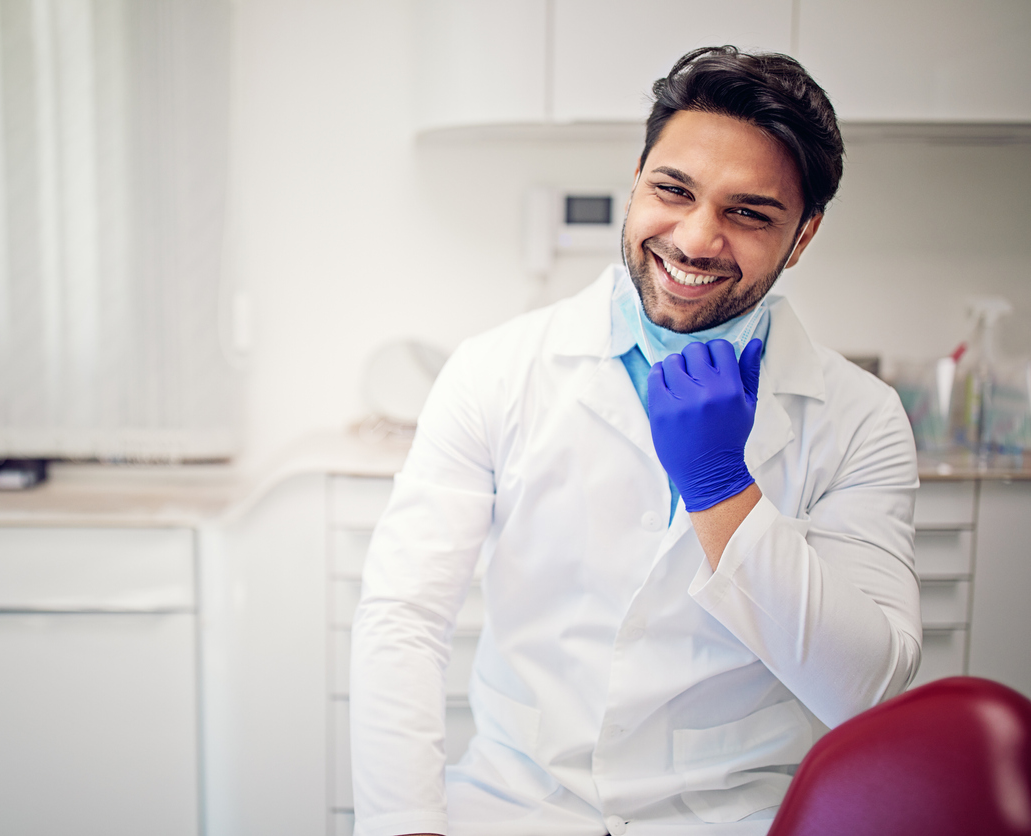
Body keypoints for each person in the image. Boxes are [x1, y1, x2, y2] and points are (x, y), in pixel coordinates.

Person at [349, 46, 921, 836]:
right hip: (518, 806)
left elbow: (866, 691)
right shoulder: (495, 371)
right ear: (637, 180)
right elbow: (404, 617)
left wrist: (723, 489)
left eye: (748, 213)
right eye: (672, 190)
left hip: (730, 817)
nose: (694, 239)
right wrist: (406, 825)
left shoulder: (862, 419)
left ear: (803, 236)